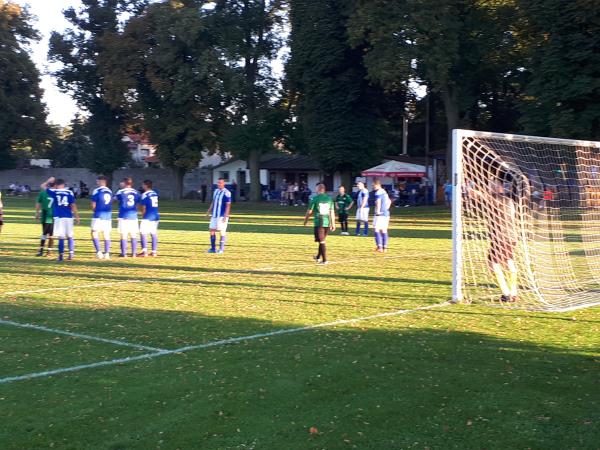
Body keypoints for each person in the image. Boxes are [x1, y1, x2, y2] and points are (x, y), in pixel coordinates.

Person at [42, 177, 80, 261]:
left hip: (59, 217)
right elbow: (73, 205)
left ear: (56, 185)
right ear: (64, 184)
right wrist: (77, 216)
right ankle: (71, 254)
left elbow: (43, 186)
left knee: (61, 237)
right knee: (70, 236)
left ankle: (61, 256)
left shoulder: (54, 192)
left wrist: (48, 180)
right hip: (69, 217)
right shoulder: (69, 192)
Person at [304, 183, 336, 265]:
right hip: (327, 223)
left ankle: (325, 260)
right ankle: (318, 257)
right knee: (321, 240)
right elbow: (332, 212)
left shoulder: (314, 199)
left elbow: (309, 212)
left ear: (318, 189)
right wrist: (333, 224)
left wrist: (306, 220)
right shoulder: (329, 199)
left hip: (319, 222)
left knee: (322, 241)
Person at [114, 177, 140, 258]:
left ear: (124, 183)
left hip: (123, 215)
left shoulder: (120, 191)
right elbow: (139, 203)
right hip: (133, 215)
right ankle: (134, 253)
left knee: (123, 234)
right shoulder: (136, 192)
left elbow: (114, 200)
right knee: (133, 234)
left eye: (121, 182)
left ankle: (124, 253)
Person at [206, 178, 232, 254]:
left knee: (221, 231)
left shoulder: (227, 193)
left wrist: (225, 216)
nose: (219, 184)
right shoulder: (216, 191)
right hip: (214, 215)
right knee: (211, 230)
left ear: (224, 184)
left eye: (220, 183)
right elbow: (213, 202)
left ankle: (221, 249)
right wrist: (208, 211)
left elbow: (228, 205)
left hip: (221, 215)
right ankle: (213, 248)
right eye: (218, 183)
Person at [90, 175, 113, 259]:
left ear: (101, 181)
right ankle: (107, 253)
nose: (97, 183)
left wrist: (95, 211)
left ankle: (99, 252)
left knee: (94, 232)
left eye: (97, 181)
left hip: (99, 215)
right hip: (107, 215)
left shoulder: (97, 190)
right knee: (106, 234)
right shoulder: (109, 191)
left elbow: (93, 204)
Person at [139, 180, 160, 257]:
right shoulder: (155, 193)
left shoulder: (145, 194)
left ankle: (144, 251)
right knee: (153, 233)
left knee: (143, 232)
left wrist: (143, 215)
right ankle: (154, 251)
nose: (142, 186)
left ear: (145, 185)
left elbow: (143, 207)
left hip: (148, 216)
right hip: (155, 215)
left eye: (143, 185)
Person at [35, 180, 55, 257]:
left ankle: (41, 250)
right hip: (53, 216)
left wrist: (37, 213)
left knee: (44, 233)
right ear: (55, 185)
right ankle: (49, 251)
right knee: (51, 234)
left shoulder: (43, 192)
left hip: (45, 215)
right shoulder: (56, 193)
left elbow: (38, 204)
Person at [372, 179, 392, 253]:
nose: (373, 187)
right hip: (386, 214)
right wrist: (386, 209)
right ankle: (385, 248)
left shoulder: (378, 193)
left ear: (377, 185)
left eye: (373, 185)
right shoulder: (384, 192)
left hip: (380, 214)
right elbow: (389, 201)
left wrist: (377, 211)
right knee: (384, 230)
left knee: (376, 229)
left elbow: (378, 202)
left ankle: (379, 247)